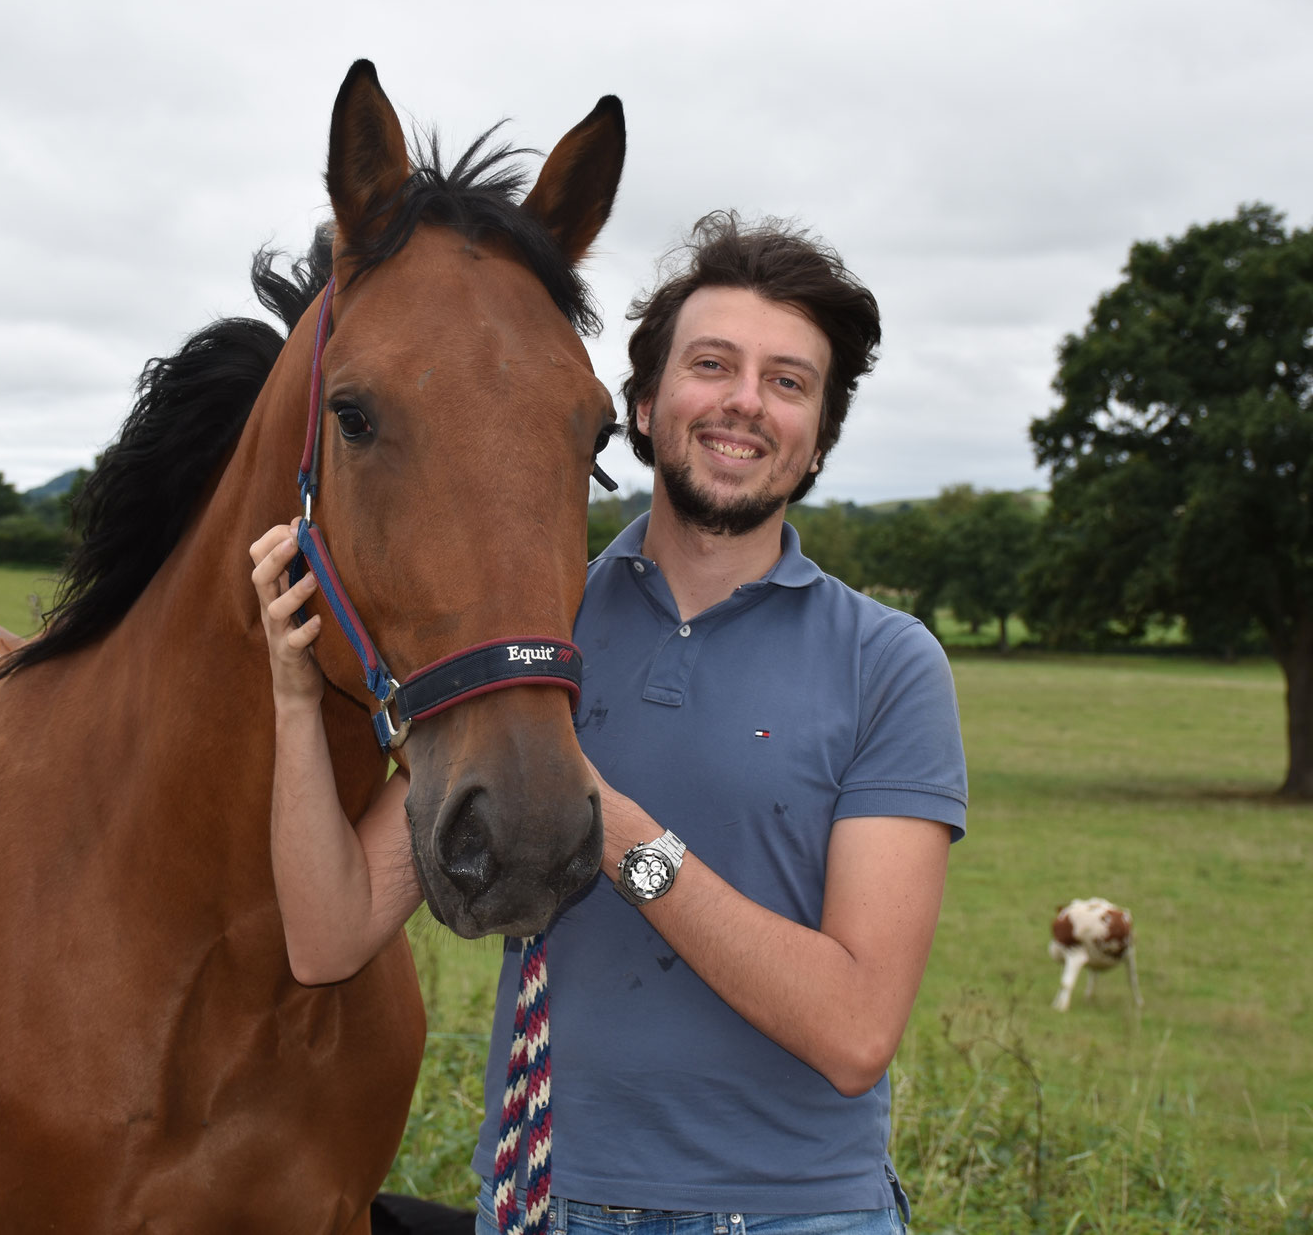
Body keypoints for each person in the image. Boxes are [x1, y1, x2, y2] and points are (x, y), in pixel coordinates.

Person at [249, 212, 966, 1234]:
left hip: (795, 1216)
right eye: (711, 363)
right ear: (641, 404)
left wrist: (618, 833)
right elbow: (328, 936)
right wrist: (288, 690)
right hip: (546, 1202)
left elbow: (854, 1034)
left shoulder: (886, 664)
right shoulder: (538, 638)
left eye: (787, 382)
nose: (743, 404)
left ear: (815, 442)